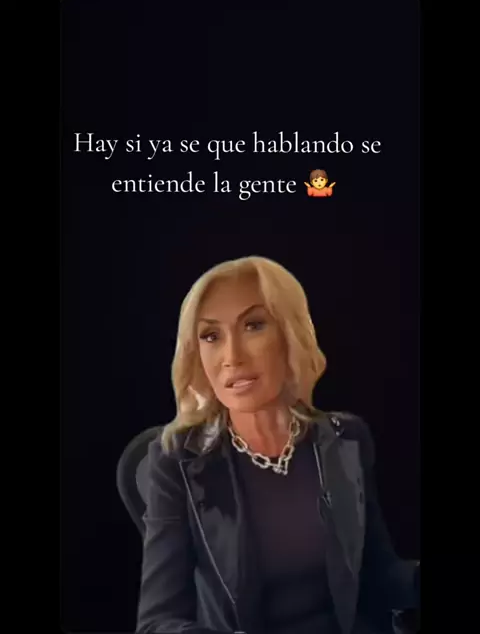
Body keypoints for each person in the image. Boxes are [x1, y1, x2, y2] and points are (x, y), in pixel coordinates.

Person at [136, 256, 420, 634]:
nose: (232, 357)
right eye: (211, 336)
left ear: (290, 333)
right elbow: (157, 622)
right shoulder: (176, 461)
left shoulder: (346, 437)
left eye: (253, 325)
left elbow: (379, 573)